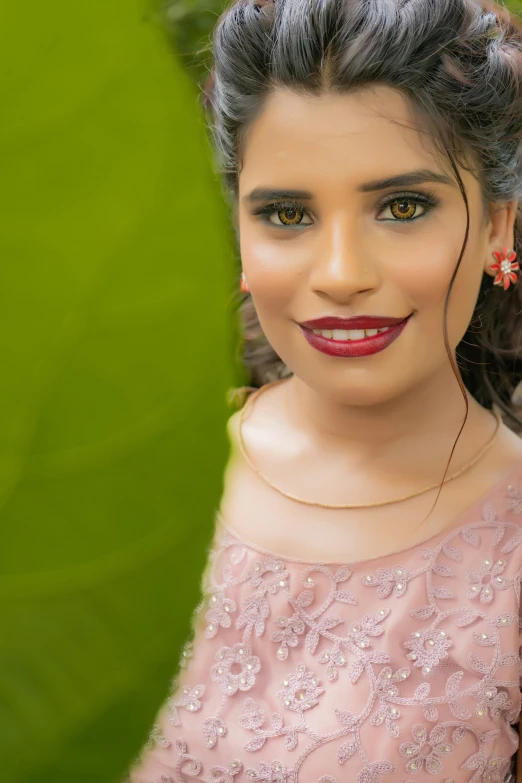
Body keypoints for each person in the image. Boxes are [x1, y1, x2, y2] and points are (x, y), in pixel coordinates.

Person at [127, 0, 522, 781]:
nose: (340, 274)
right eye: (286, 213)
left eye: (403, 207)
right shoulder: (139, 475)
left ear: (498, 228)